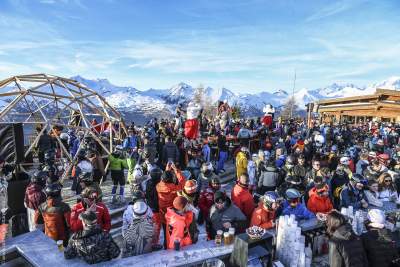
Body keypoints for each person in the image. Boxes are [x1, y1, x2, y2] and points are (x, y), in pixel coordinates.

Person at [156, 163, 185, 246]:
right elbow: (182, 181)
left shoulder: (158, 186)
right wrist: (176, 170)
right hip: (172, 215)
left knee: (165, 232)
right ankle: (171, 246)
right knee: (173, 233)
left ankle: (166, 245)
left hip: (162, 213)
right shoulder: (174, 188)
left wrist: (167, 170)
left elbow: (164, 179)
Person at [145, 167, 162, 247]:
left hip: (149, 207)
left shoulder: (148, 182)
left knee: (151, 224)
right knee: (157, 226)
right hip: (156, 208)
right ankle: (154, 242)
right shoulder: (159, 184)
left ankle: (150, 240)